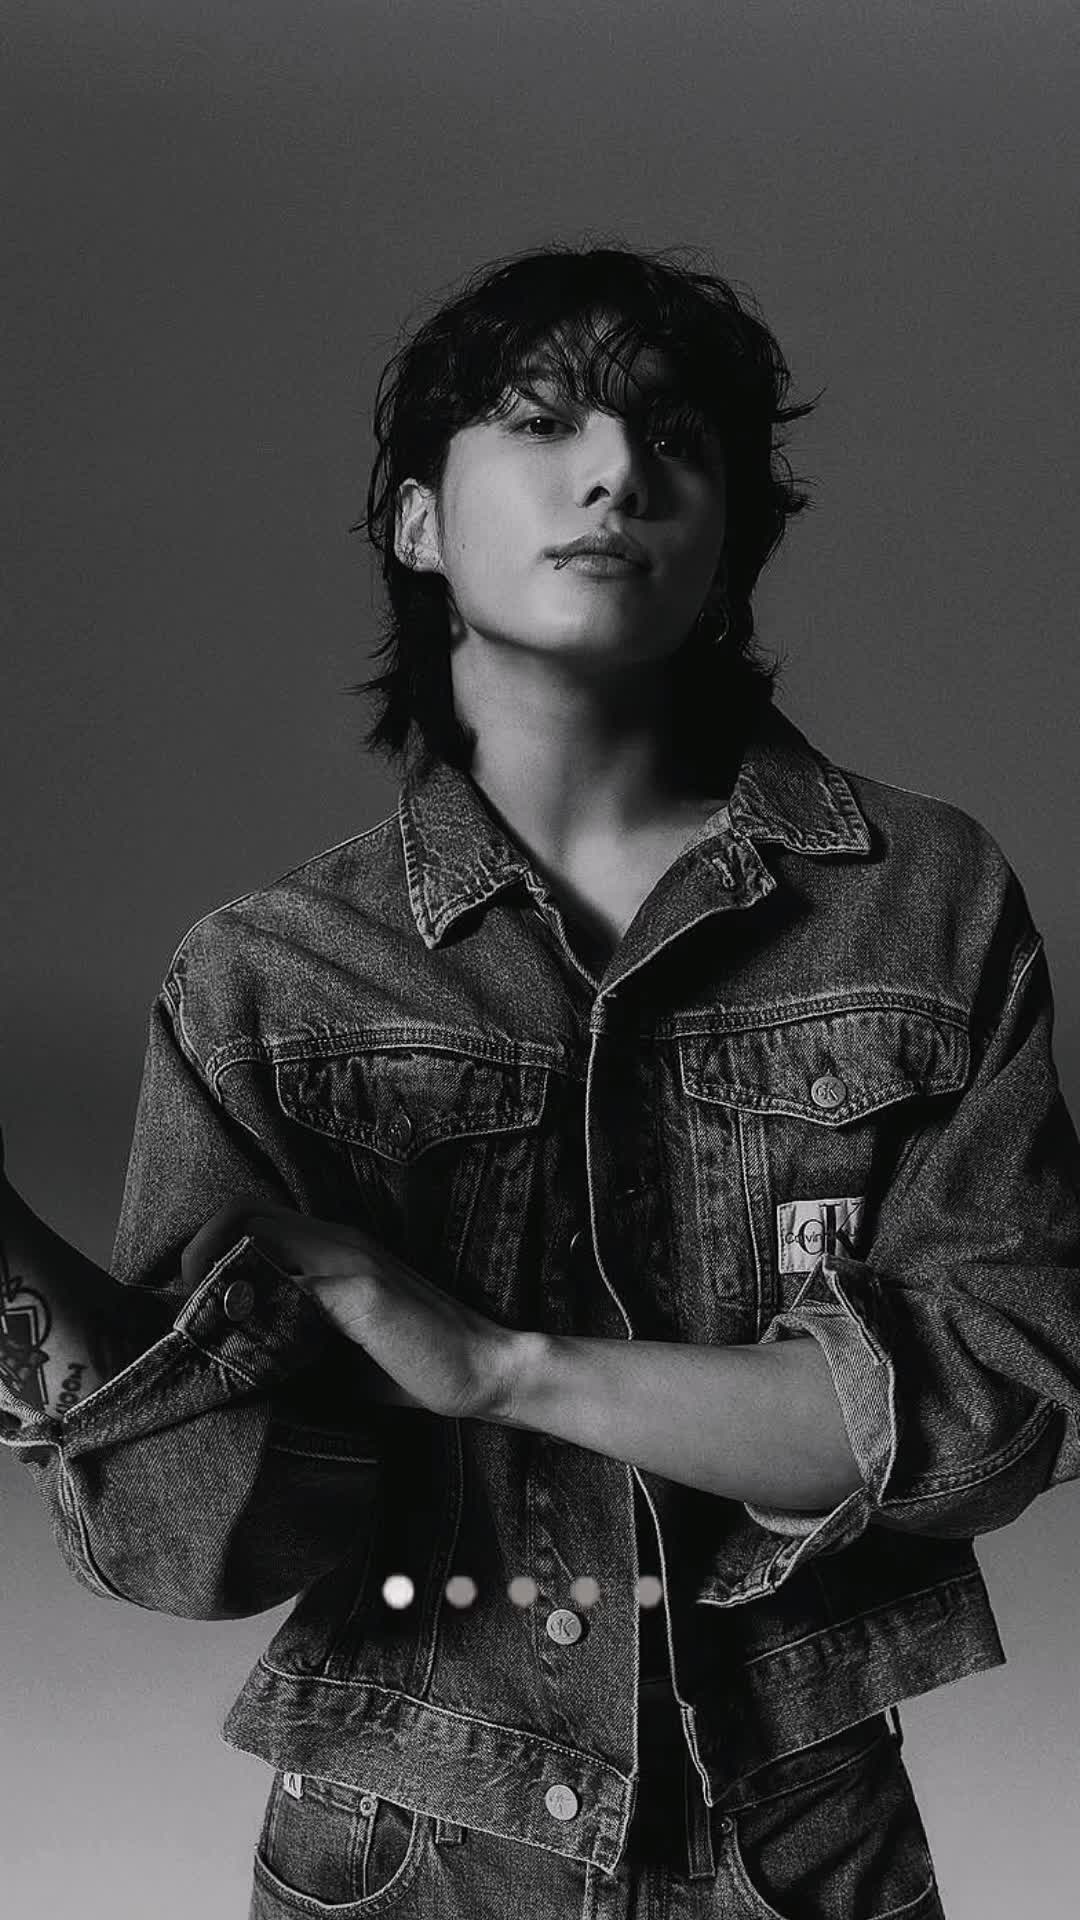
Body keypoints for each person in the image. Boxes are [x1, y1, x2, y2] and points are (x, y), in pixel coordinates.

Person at [4, 242, 1080, 1919]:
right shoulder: (272, 977)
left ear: (730, 538)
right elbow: (197, 1542)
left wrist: (499, 1368)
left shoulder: (923, 906)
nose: (616, 471)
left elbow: (998, 1412)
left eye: (675, 439)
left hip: (801, 1846)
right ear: (417, 523)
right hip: (402, 1857)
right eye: (542, 420)